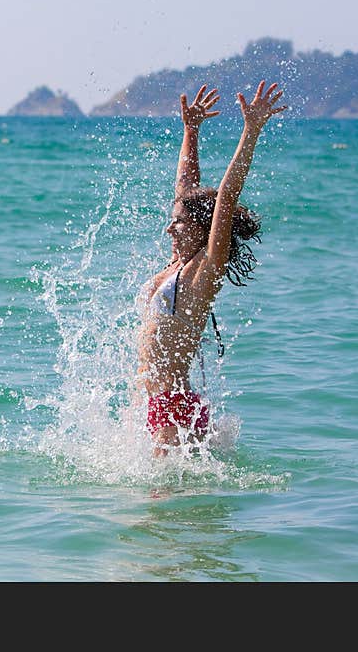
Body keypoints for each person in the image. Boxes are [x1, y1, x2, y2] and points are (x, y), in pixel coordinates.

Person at [137, 81, 286, 456]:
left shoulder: (204, 271)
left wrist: (250, 132)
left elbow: (227, 196)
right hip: (163, 404)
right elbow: (185, 191)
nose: (170, 227)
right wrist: (191, 132)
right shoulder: (178, 263)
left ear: (202, 230)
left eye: (179, 223)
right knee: (171, 503)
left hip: (173, 405)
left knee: (160, 505)